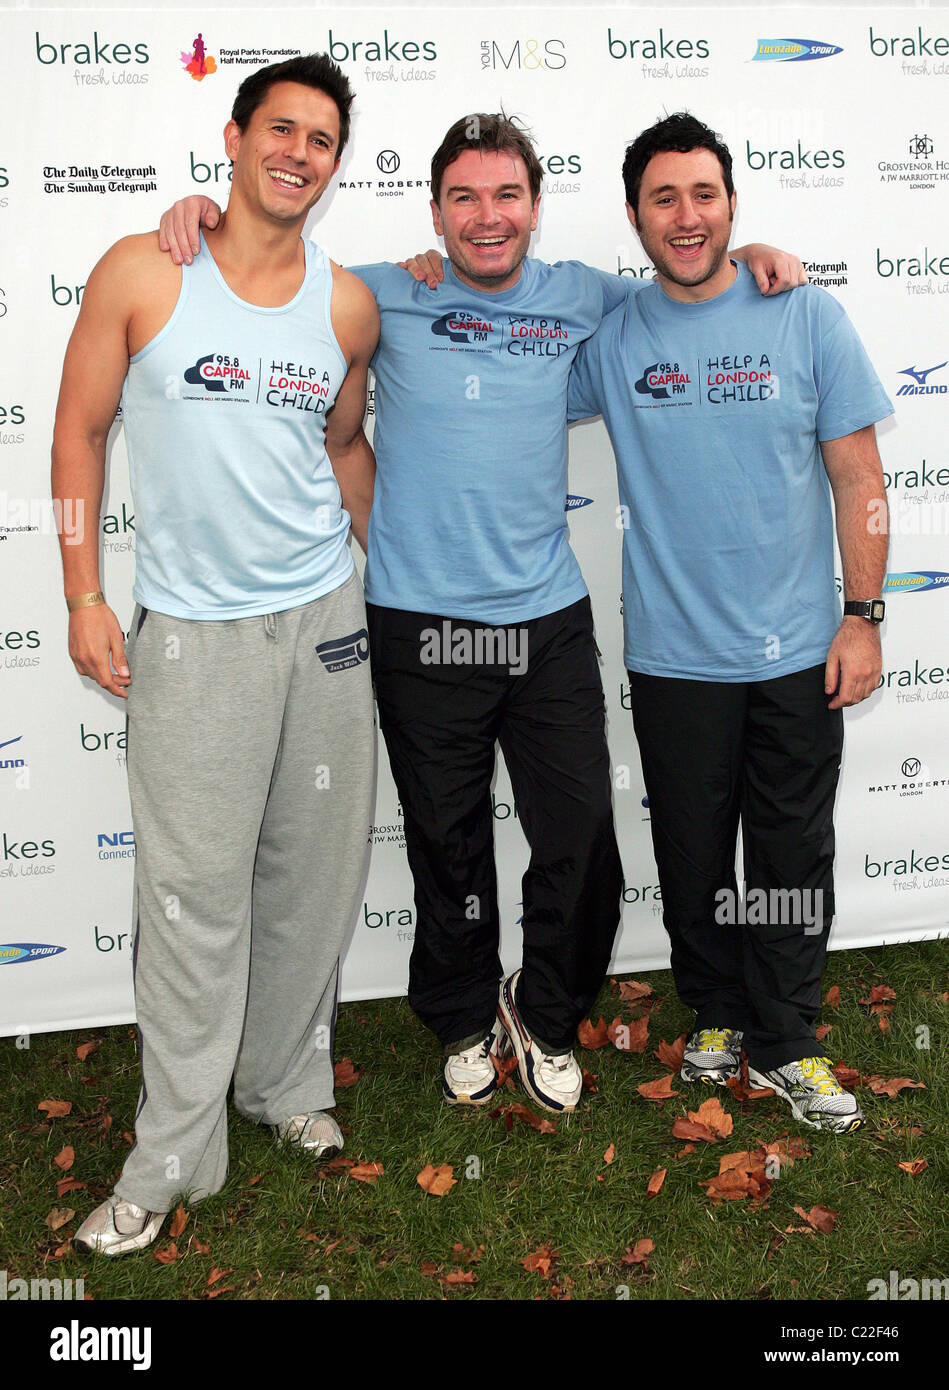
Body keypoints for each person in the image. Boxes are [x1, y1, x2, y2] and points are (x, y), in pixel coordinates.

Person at [159, 114, 804, 1116]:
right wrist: (205, 217)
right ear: (436, 212)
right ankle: (462, 1013)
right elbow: (266, 275)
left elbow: (693, 287)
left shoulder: (584, 296)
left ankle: (543, 1009)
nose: (487, 217)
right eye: (464, 197)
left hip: (543, 620)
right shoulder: (382, 290)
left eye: (507, 196)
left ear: (535, 209)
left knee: (581, 830)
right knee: (446, 840)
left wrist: (760, 254)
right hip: (419, 624)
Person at [51, 53, 379, 1256]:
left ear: (337, 165)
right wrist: (85, 591)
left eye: (323, 138)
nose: (299, 152)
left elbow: (344, 449)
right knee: (192, 902)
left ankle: (287, 1084)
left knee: (312, 873)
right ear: (236, 138)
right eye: (281, 128)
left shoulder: (346, 304)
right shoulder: (146, 269)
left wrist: (371, 576)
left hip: (327, 623)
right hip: (192, 634)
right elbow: (80, 434)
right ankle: (173, 1151)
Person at [566, 113, 892, 1133]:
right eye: (663, 198)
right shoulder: (613, 335)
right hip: (672, 655)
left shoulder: (803, 314)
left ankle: (786, 1036)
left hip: (799, 647)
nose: (686, 215)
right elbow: (507, 344)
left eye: (703, 194)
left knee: (789, 852)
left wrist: (863, 616)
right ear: (634, 215)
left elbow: (857, 473)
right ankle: (712, 1008)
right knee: (697, 849)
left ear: (732, 202)